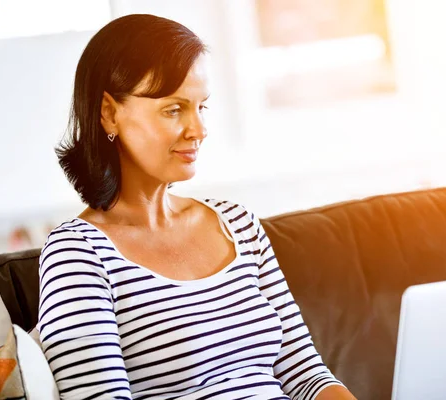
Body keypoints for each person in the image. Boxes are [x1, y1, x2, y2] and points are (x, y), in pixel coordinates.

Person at [37, 14, 356, 400]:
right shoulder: (77, 254)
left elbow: (306, 377)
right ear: (109, 112)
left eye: (202, 107)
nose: (199, 130)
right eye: (174, 109)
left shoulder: (239, 224)